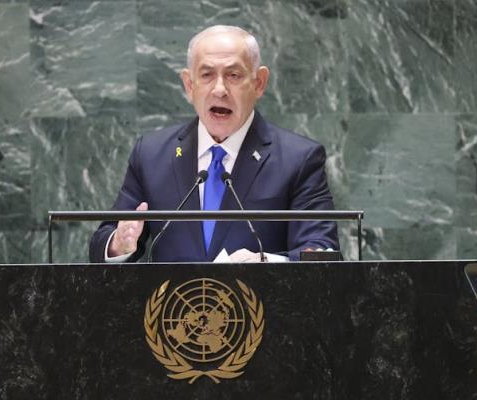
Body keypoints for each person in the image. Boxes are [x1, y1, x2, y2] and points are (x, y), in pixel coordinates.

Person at [89, 25, 339, 263]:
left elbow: (321, 250)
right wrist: (119, 245)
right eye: (207, 75)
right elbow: (104, 243)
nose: (219, 89)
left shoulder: (299, 159)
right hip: (172, 307)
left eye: (233, 75)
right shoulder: (152, 154)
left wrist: (267, 262)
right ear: (189, 85)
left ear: (259, 82)